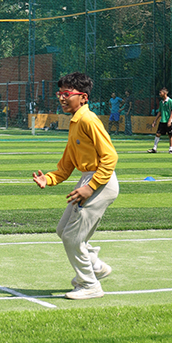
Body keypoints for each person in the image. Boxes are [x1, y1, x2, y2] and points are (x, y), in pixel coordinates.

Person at [31, 72, 119, 300]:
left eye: (67, 94)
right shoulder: (75, 122)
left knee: (72, 237)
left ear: (83, 97)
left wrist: (90, 187)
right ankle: (96, 267)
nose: (61, 98)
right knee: (63, 230)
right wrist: (48, 179)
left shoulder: (88, 120)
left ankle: (89, 284)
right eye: (60, 93)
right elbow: (66, 165)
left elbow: (110, 157)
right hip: (89, 179)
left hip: (100, 181)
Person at [148, 87, 172, 154]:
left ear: (164, 93)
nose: (159, 94)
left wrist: (169, 120)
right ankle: (154, 148)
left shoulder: (170, 101)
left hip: (169, 121)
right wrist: (155, 121)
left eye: (161, 92)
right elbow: (160, 112)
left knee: (170, 134)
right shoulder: (161, 102)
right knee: (157, 134)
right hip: (162, 120)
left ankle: (171, 148)